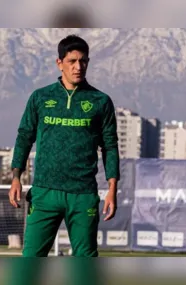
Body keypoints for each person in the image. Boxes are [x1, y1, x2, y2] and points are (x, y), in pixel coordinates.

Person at [8, 34, 120, 257]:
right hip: (45, 191)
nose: (78, 66)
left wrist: (112, 190)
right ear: (59, 63)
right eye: (72, 61)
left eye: (83, 61)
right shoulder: (40, 97)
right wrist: (15, 177)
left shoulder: (100, 101)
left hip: (83, 194)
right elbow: (24, 137)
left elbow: (110, 147)